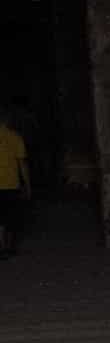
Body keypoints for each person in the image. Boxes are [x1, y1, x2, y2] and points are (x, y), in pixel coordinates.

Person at [0, 107, 30, 256]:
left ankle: (1, 245)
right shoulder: (15, 137)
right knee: (10, 217)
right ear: (7, 120)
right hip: (11, 184)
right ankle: (8, 247)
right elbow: (22, 164)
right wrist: (27, 184)